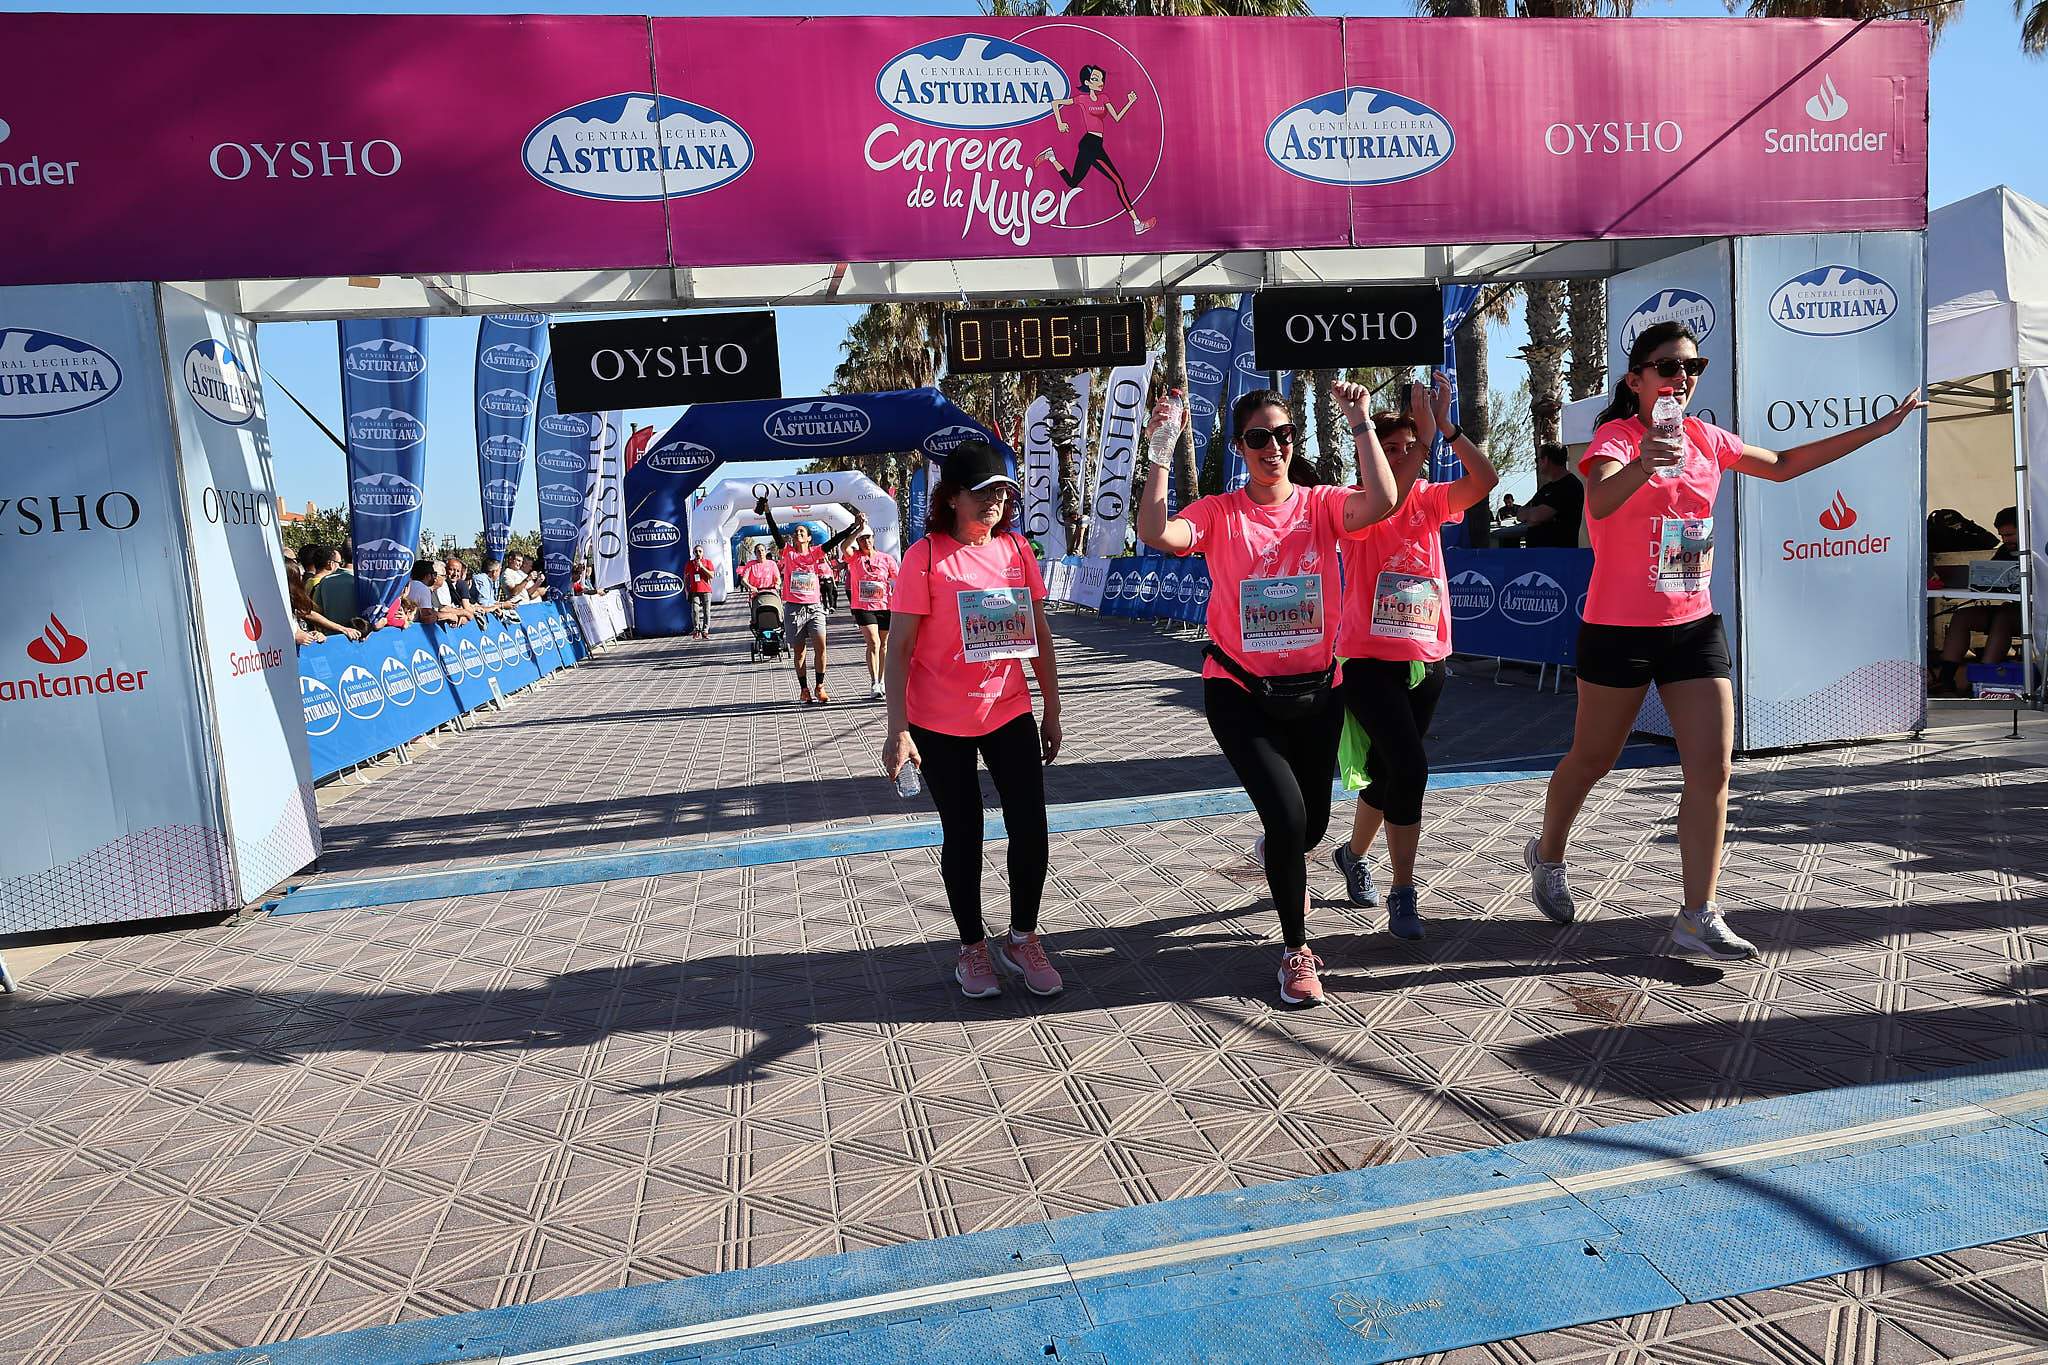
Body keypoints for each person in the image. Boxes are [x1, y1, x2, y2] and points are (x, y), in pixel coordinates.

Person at [1526, 321, 1920, 960]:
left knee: (1712, 769)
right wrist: (1644, 461)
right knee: (1593, 758)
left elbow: (1786, 466)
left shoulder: (1708, 439)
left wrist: (1877, 430)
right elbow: (1596, 503)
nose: (1682, 377)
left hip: (1694, 625)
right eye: (1667, 366)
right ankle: (1548, 853)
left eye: (1693, 366)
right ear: (1636, 380)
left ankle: (1697, 916)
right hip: (1617, 628)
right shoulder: (1616, 437)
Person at [1137, 384, 1397, 1007]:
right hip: (1239, 691)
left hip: (1317, 692)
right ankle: (1296, 950)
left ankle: (1283, 850)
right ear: (1239, 447)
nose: (1273, 447)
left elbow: (1384, 500)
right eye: (1259, 438)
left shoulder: (1321, 504)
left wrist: (1361, 423)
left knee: (1308, 825)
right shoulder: (1219, 512)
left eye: (1283, 436)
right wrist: (1162, 447)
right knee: (1285, 816)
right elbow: (1156, 533)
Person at [881, 440, 1065, 1000]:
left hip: (1008, 711)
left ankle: (1023, 937)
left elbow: (1039, 635)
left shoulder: (1016, 551)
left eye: (1003, 493)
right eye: (983, 493)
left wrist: (1052, 707)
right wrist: (898, 729)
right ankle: (971, 948)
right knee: (964, 834)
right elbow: (900, 649)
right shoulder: (925, 557)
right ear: (953, 496)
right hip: (938, 721)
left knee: (1030, 827)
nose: (995, 503)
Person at [1332, 374, 1497, 941]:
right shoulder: (1356, 506)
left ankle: (1353, 855)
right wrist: (1423, 439)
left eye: (1408, 447)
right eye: (1391, 448)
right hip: (1367, 658)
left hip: (1427, 656)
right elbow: (1391, 491)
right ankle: (1405, 890)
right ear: (1370, 454)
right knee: (1411, 767)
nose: (1404, 456)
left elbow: (1487, 480)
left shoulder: (1430, 499)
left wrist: (1447, 429)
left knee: (1389, 771)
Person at [1035, 64, 1155, 237]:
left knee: (1073, 182)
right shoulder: (1082, 99)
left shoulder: (1104, 98)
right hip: (1090, 144)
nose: (1100, 82)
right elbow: (1056, 103)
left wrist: (1130, 102)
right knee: (1118, 182)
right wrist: (1059, 123)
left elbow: (1117, 118)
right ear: (1087, 82)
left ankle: (1051, 157)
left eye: (1101, 79)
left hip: (1095, 144)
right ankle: (1137, 223)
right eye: (1095, 79)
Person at [762, 500, 861, 703]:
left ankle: (820, 686)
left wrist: (853, 526)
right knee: (799, 651)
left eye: (802, 532)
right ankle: (804, 689)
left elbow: (835, 541)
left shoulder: (816, 553)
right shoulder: (788, 552)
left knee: (821, 647)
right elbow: (774, 532)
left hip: (815, 607)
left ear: (808, 537)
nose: (798, 533)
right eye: (796, 531)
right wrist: (767, 513)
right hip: (793, 608)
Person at [1934, 505, 2021, 695]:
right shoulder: (2005, 550)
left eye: (2010, 535)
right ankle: (1946, 681)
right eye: (2002, 536)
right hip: (2014, 610)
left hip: (2035, 613)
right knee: (1963, 616)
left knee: (2004, 616)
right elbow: (1989, 576)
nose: (2006, 541)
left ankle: (1984, 679)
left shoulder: (2041, 551)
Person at [843, 526, 900, 699]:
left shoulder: (886, 558)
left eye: (868, 538)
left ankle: (881, 680)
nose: (866, 541)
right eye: (862, 539)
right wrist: (856, 529)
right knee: (873, 642)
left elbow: (898, 579)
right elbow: (844, 548)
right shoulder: (854, 557)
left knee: (884, 645)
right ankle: (874, 681)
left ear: (874, 539)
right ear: (858, 542)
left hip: (884, 606)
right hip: (863, 607)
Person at [1500, 443, 1585, 549]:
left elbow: (1538, 515)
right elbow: (1520, 513)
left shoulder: (1570, 485)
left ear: (1546, 460)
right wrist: (1533, 516)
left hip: (1560, 555)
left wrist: (1533, 515)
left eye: (1538, 459)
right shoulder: (1546, 488)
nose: (1537, 463)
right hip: (1537, 555)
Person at [310, 542, 359, 626]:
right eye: (339, 563)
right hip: (362, 635)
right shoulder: (367, 582)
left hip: (331, 635)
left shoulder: (324, 582)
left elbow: (316, 612)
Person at [686, 544, 717, 640]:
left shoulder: (708, 562)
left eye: (700, 551)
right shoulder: (690, 563)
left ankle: (705, 631)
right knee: (695, 610)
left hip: (706, 590)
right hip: (694, 590)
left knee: (706, 611)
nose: (698, 553)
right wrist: (686, 590)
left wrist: (702, 567)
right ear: (693, 553)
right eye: (696, 551)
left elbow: (711, 575)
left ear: (703, 553)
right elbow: (686, 577)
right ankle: (696, 630)